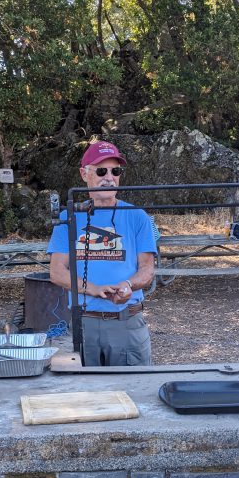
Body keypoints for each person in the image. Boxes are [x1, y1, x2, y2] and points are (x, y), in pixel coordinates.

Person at [47, 140, 156, 366]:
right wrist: (95, 290)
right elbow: (57, 272)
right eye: (101, 171)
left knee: (134, 391)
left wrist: (128, 285)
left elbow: (147, 269)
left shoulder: (137, 216)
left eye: (115, 171)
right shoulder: (69, 216)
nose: (109, 177)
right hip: (85, 323)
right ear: (84, 174)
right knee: (87, 396)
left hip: (128, 322)